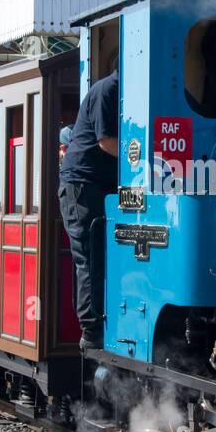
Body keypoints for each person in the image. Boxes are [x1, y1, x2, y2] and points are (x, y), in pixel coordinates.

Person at [58, 72, 119, 349]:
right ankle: (92, 332)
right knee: (89, 256)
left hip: (101, 183)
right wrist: (149, 156)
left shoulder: (120, 91)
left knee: (104, 255)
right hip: (82, 185)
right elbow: (107, 142)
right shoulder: (107, 90)